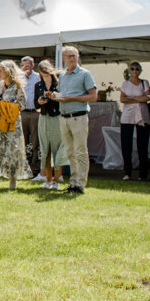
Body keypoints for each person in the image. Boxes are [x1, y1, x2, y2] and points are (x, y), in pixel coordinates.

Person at [50, 46, 96, 195]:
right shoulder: (63, 75)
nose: (72, 58)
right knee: (70, 152)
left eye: (74, 56)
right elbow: (63, 94)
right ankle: (73, 182)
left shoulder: (84, 74)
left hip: (79, 116)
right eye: (69, 56)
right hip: (64, 117)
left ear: (78, 57)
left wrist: (72, 98)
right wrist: (53, 96)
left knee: (81, 151)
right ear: (63, 59)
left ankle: (80, 184)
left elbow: (93, 96)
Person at [0, 60, 29, 190]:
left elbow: (22, 105)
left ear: (9, 71)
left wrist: (5, 105)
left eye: (2, 70)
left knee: (12, 151)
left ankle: (12, 182)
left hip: (12, 124)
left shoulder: (17, 87)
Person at [118, 61, 150, 181]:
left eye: (137, 69)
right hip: (128, 116)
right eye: (132, 69)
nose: (134, 71)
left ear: (140, 71)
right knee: (126, 145)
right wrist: (138, 99)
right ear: (129, 71)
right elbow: (122, 99)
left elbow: (147, 98)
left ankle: (142, 174)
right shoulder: (125, 84)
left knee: (142, 146)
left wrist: (131, 98)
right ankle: (127, 172)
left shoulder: (144, 83)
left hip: (142, 116)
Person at [34, 60, 67, 190]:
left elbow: (64, 99)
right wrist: (39, 102)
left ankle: (57, 180)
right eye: (43, 74)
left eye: (47, 74)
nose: (45, 76)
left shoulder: (59, 83)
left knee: (58, 149)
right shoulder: (38, 85)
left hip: (57, 118)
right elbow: (35, 103)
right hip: (44, 118)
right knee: (45, 149)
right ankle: (48, 180)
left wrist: (54, 96)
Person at [19, 56, 42, 177]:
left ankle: (35, 167)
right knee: (22, 140)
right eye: (23, 66)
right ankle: (23, 166)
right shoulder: (19, 78)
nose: (25, 68)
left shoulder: (38, 77)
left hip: (34, 112)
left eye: (27, 65)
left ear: (33, 65)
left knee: (35, 141)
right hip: (22, 112)